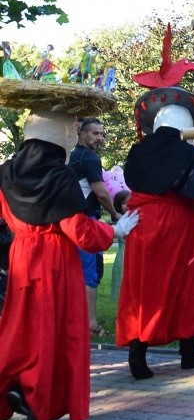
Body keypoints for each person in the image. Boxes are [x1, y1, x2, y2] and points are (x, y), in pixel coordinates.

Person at [0, 107, 137, 420]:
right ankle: (38, 415)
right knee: (53, 335)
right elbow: (79, 231)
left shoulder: (5, 172)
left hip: (20, 257)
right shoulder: (59, 177)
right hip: (54, 261)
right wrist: (115, 231)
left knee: (22, 330)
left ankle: (18, 387)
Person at [117, 89, 194, 380]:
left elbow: (131, 180)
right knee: (185, 286)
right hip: (179, 226)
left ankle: (137, 354)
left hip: (141, 224)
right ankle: (188, 354)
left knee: (142, 287)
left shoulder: (138, 151)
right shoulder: (189, 153)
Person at [68, 117, 117, 338]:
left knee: (73, 273)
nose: (100, 138)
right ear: (83, 134)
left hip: (67, 220)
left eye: (102, 134)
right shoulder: (89, 158)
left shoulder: (69, 155)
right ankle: (91, 323)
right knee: (90, 274)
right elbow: (101, 192)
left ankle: (74, 319)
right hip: (86, 221)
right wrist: (116, 214)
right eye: (96, 133)